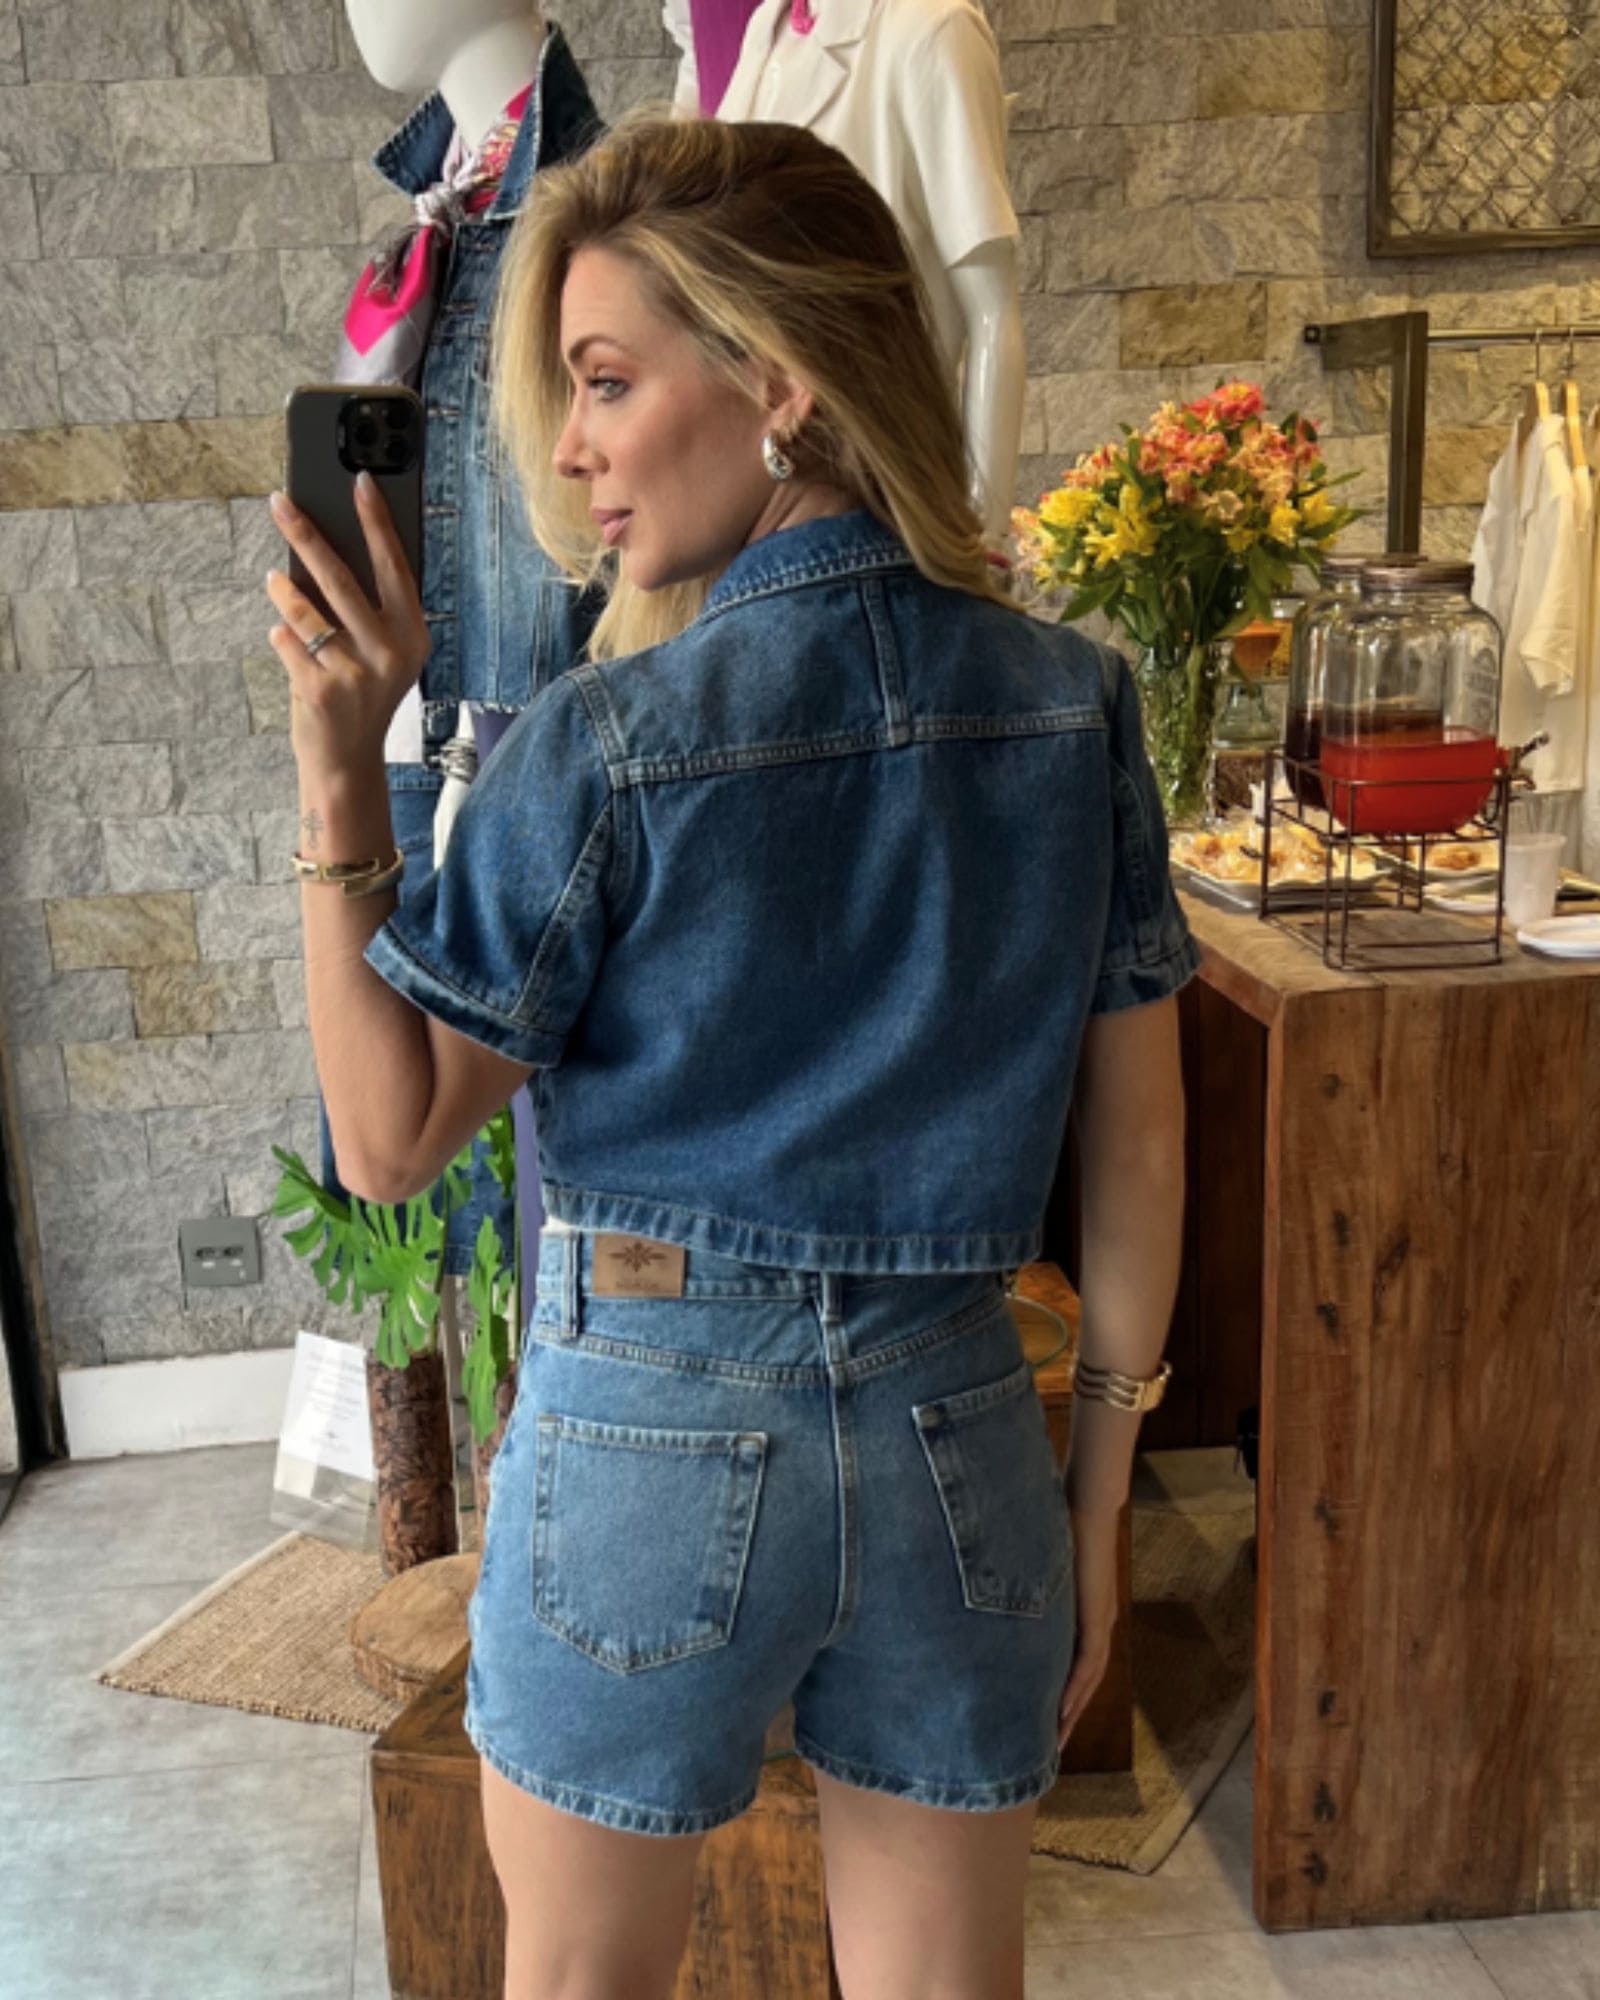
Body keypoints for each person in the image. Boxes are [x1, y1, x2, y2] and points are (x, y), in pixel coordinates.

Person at [264, 114, 1194, 2000]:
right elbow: (1141, 1149)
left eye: (606, 381)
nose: (573, 450)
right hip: (960, 1436)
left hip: (651, 1424)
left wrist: (338, 772)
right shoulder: (1071, 704)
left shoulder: (604, 742)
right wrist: (1099, 1495)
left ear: (780, 380)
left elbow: (386, 1142)